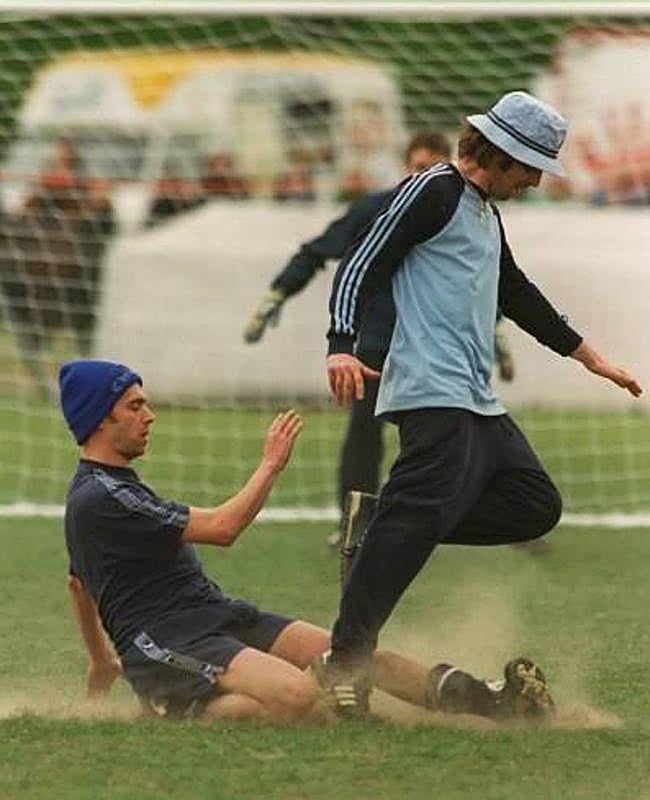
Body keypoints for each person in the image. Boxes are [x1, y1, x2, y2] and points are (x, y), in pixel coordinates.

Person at [320, 91, 642, 718]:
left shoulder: (485, 211)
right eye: (533, 168)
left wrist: (587, 355)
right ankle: (345, 659)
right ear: (504, 155)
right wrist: (340, 343)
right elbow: (360, 261)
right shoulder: (432, 189)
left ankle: (384, 520)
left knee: (533, 505)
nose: (536, 181)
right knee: (413, 523)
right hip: (430, 390)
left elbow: (513, 290)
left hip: (475, 398)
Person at [59, 358, 555, 723]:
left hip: (215, 613)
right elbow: (223, 528)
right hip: (168, 642)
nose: (150, 415)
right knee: (300, 698)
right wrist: (270, 465)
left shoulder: (114, 487)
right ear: (101, 417)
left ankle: (492, 701)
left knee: (352, 655)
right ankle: (173, 706)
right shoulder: (100, 495)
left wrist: (102, 662)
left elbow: (79, 584)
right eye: (135, 405)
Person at [244, 132, 522, 546]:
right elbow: (318, 251)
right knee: (364, 430)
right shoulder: (380, 208)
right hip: (377, 346)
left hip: (435, 349)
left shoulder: (463, 212)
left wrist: (496, 333)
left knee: (468, 433)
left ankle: (509, 519)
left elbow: (485, 283)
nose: (423, 172)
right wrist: (277, 294)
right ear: (406, 166)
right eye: (417, 165)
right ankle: (352, 520)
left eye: (432, 165)